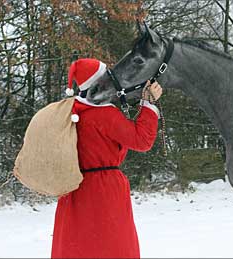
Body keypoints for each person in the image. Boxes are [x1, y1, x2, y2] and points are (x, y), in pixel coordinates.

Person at [51, 58, 162, 258]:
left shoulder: (70, 111)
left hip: (73, 188)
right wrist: (149, 104)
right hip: (104, 190)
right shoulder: (103, 114)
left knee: (78, 245)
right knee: (111, 245)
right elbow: (142, 140)